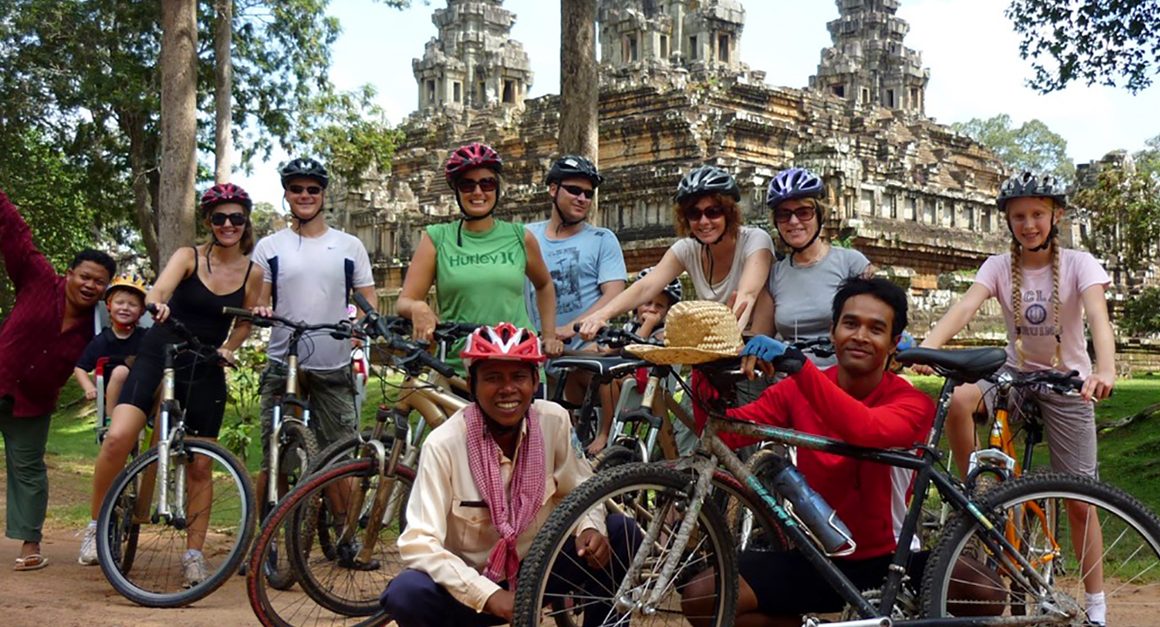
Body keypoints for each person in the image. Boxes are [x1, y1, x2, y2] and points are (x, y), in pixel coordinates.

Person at [917, 170, 1114, 626]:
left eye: (1038, 215)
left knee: (1081, 502)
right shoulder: (999, 266)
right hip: (1014, 376)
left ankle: (1099, 606)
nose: (1029, 225)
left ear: (1055, 216)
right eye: (1019, 216)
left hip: (1068, 382)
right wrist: (928, 346)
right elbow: (967, 305)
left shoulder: (1081, 263)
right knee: (961, 399)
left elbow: (1098, 318)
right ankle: (976, 494)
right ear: (1008, 221)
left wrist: (1104, 369)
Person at [681, 276, 936, 625]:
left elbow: (865, 429)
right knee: (702, 598)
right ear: (833, 332)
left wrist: (801, 368)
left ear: (894, 344)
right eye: (850, 324)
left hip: (894, 560)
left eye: (875, 329)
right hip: (820, 560)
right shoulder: (797, 390)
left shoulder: (914, 402)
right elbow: (726, 435)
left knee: (984, 589)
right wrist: (705, 372)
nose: (860, 336)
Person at [379, 323, 639, 627]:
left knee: (622, 533)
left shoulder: (553, 421)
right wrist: (488, 595)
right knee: (406, 593)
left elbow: (581, 489)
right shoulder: (443, 444)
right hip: (470, 588)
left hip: (539, 573)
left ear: (534, 381)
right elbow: (420, 543)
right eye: (492, 378)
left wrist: (590, 529)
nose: (508, 389)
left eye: (518, 377)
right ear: (471, 383)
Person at [80, 183, 262, 583]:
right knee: (118, 437)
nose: (227, 224)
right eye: (219, 217)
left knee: (201, 464)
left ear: (245, 221)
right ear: (208, 222)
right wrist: (157, 303)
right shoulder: (188, 256)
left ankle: (194, 554)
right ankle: (96, 525)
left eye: (235, 217)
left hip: (205, 361)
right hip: (160, 351)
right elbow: (160, 289)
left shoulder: (254, 272)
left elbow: (246, 320)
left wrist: (230, 346)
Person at [0, 188, 115, 572]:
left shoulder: (99, 327)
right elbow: (16, 233)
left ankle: (30, 545)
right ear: (69, 273)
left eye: (99, 282)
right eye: (85, 276)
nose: (89, 285)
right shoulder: (36, 279)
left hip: (32, 403)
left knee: (28, 470)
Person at [251, 157, 377, 501]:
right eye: (296, 189)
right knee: (274, 454)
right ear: (286, 194)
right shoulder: (270, 247)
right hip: (282, 359)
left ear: (323, 194)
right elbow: (260, 299)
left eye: (312, 189)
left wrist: (358, 325)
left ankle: (344, 534)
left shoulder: (349, 246)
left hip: (333, 360)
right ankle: (266, 538)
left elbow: (367, 300)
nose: (304, 195)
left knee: (339, 455)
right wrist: (262, 309)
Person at [396, 142, 562, 374]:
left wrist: (549, 334)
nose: (478, 192)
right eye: (467, 185)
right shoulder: (437, 238)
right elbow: (405, 300)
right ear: (456, 190)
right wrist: (418, 308)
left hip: (519, 362)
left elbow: (544, 285)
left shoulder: (520, 237)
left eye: (487, 183)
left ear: (497, 189)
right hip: (459, 366)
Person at [578, 164, 774, 339]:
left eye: (713, 212)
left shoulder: (755, 240)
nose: (704, 222)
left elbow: (747, 294)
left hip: (753, 341)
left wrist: (727, 337)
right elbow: (646, 286)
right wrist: (601, 315)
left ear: (729, 213)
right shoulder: (687, 248)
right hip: (713, 343)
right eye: (694, 214)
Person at [765, 167, 873, 366]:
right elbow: (762, 335)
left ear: (820, 215)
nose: (794, 221)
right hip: (789, 380)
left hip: (842, 379)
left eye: (804, 212)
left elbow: (877, 322)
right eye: (784, 215)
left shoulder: (851, 264)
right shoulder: (774, 274)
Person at [525, 154, 626, 346]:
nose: (582, 199)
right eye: (574, 190)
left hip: (584, 353)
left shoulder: (602, 239)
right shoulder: (527, 235)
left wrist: (571, 328)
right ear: (553, 190)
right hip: (533, 350)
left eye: (588, 194)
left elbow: (614, 294)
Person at [73, 274, 149, 420]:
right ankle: (111, 419)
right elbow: (80, 368)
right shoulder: (102, 341)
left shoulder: (145, 337)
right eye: (119, 303)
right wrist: (89, 387)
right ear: (109, 304)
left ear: (142, 310)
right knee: (121, 371)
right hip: (112, 395)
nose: (125, 308)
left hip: (139, 393)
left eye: (132, 305)